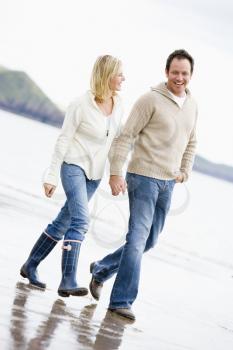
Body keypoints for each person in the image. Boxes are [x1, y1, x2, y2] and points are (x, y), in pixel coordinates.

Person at [89, 49, 198, 320]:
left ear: (191, 75)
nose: (180, 77)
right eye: (175, 72)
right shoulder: (150, 100)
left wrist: (184, 172)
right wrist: (115, 173)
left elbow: (192, 141)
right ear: (166, 72)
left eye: (185, 73)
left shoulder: (193, 105)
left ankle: (101, 270)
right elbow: (125, 137)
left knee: (148, 241)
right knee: (136, 239)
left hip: (168, 183)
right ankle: (121, 301)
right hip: (143, 178)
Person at [20, 55, 125, 297]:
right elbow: (63, 139)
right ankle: (68, 279)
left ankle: (30, 265)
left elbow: (117, 142)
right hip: (73, 167)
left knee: (62, 223)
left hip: (94, 175)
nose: (123, 78)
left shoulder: (119, 105)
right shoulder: (80, 104)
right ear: (107, 75)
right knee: (80, 221)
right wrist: (51, 176)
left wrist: (117, 174)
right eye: (119, 73)